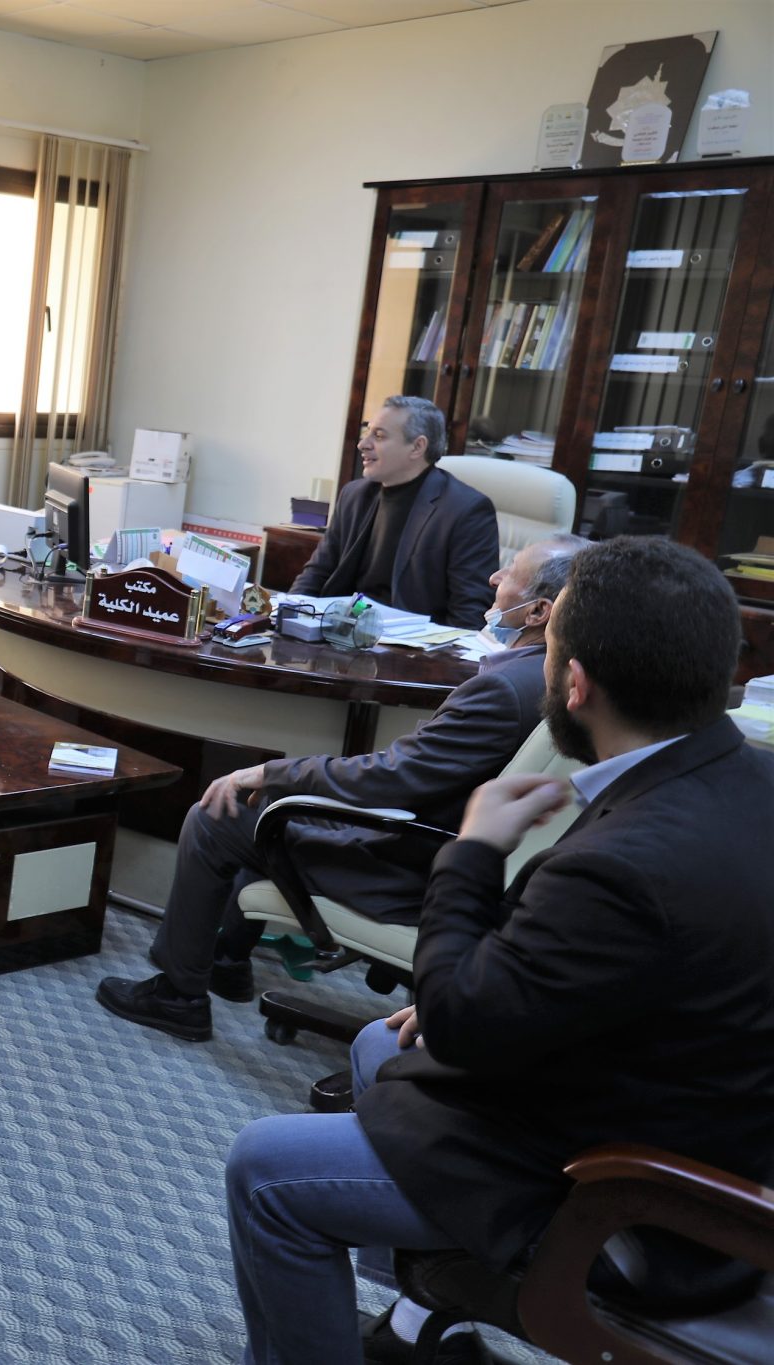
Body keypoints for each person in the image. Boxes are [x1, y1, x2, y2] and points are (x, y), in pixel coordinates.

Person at [223, 537, 774, 1365]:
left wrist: (473, 850)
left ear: (575, 683)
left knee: (265, 1169)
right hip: (682, 1106)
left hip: (631, 1198)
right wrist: (480, 990)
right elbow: (622, 970)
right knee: (377, 1044)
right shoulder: (739, 778)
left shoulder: (625, 863)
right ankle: (419, 1324)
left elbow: (464, 1027)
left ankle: (426, 1296)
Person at [97, 534, 585, 1043]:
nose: (494, 578)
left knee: (218, 814)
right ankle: (227, 961)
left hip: (406, 868)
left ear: (539, 612)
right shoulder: (555, 682)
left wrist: (273, 771)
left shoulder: (502, 690)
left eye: (510, 573)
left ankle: (178, 997)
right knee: (270, 810)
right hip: (445, 848)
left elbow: (391, 776)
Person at [290, 396, 500, 627]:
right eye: (367, 432)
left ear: (417, 447)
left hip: (412, 643)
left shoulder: (466, 510)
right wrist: (289, 613)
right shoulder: (354, 495)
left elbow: (468, 616)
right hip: (339, 631)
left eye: (379, 436)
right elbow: (317, 573)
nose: (363, 444)